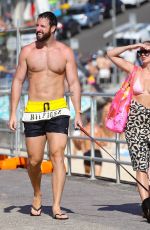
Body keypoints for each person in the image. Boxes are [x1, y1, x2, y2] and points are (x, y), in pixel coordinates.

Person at [9, 11, 82, 220]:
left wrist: (77, 112)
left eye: (42, 26)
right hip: (33, 110)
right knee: (34, 160)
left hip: (58, 109)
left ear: (53, 28)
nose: (38, 29)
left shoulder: (65, 52)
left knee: (58, 156)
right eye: (37, 26)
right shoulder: (27, 51)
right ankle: (37, 194)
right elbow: (17, 81)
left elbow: (74, 83)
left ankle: (57, 205)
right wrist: (13, 112)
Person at [107, 41, 150, 223]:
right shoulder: (134, 71)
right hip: (136, 121)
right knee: (140, 165)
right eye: (141, 52)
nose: (143, 54)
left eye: (147, 51)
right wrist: (132, 46)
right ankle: (147, 206)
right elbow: (111, 54)